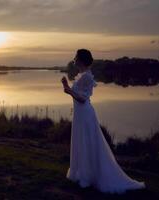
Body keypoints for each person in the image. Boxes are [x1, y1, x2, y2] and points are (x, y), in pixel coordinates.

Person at [61, 49, 145, 194]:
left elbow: (82, 98)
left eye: (75, 57)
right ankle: (81, 174)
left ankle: (88, 177)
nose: (73, 59)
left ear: (81, 59)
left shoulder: (86, 77)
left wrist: (68, 90)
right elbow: (78, 95)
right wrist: (67, 87)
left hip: (85, 114)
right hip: (80, 115)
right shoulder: (82, 76)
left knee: (87, 143)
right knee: (81, 142)